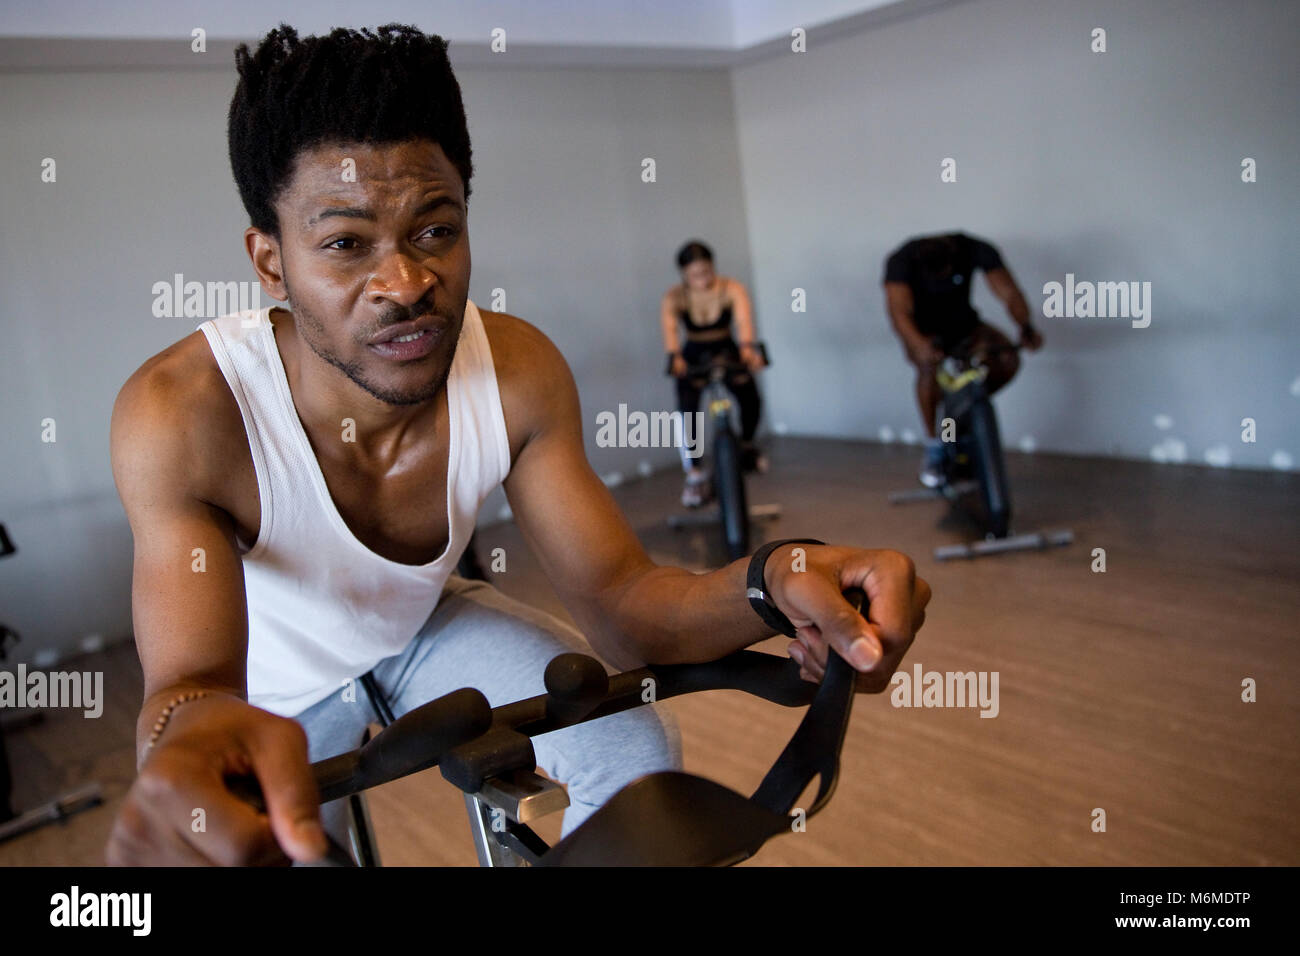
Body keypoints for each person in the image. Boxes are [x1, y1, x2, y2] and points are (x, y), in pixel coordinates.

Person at [105, 24, 931, 866]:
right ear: (271, 264)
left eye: (435, 230)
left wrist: (776, 577)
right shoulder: (183, 414)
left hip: (422, 627)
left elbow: (625, 605)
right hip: (266, 689)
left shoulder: (516, 372)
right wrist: (184, 741)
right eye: (347, 244)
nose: (408, 284)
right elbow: (191, 683)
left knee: (631, 747)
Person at [882, 231, 1043, 487]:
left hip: (965, 326)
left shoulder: (976, 249)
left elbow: (1010, 293)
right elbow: (898, 312)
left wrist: (1025, 327)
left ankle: (964, 411)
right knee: (928, 371)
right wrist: (919, 345)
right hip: (924, 331)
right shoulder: (901, 260)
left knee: (1007, 359)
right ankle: (935, 448)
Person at [660, 241, 767, 507]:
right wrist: (675, 357)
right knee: (686, 410)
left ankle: (746, 444)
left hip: (726, 347)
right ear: (684, 273)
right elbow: (671, 331)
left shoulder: (731, 289)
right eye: (696, 275)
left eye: (707, 272)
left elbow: (744, 322)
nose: (703, 279)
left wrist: (748, 349)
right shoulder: (675, 297)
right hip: (694, 352)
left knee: (750, 396)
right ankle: (694, 473)